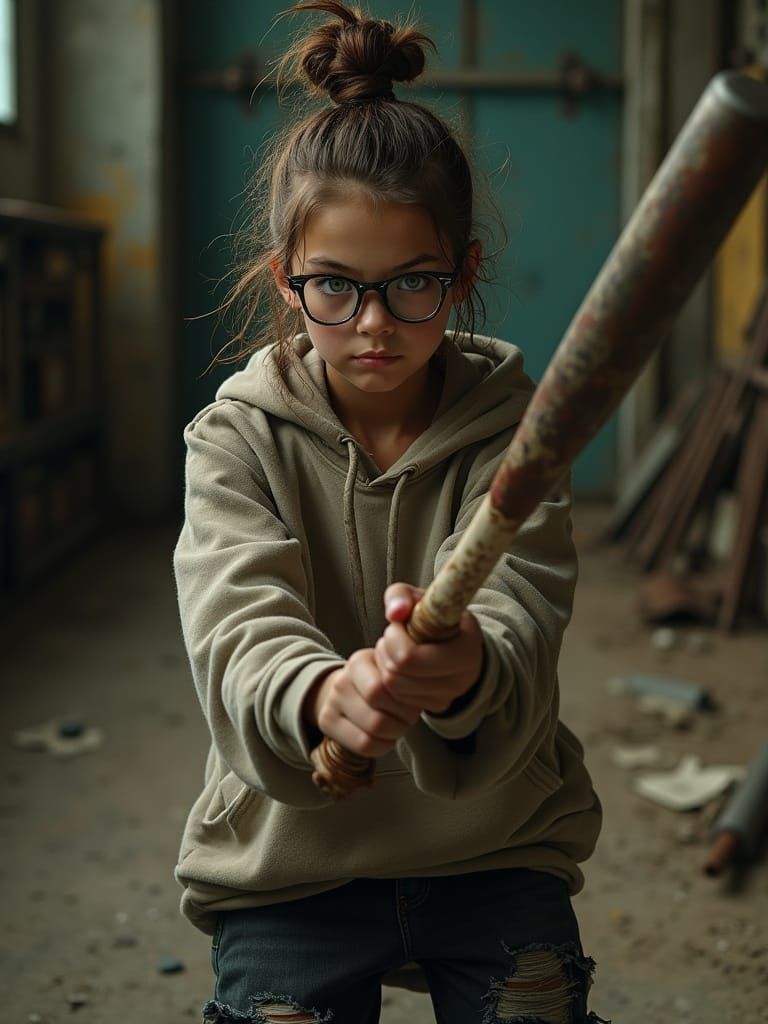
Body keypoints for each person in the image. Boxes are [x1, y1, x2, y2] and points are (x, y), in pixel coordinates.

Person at [173, 3, 606, 1022]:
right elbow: (238, 626)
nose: (373, 323)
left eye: (413, 283)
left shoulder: (520, 439)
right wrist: (325, 696)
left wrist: (462, 671)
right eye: (335, 286)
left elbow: (520, 620)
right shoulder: (232, 440)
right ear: (286, 278)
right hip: (292, 854)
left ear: (462, 275)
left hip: (496, 841)